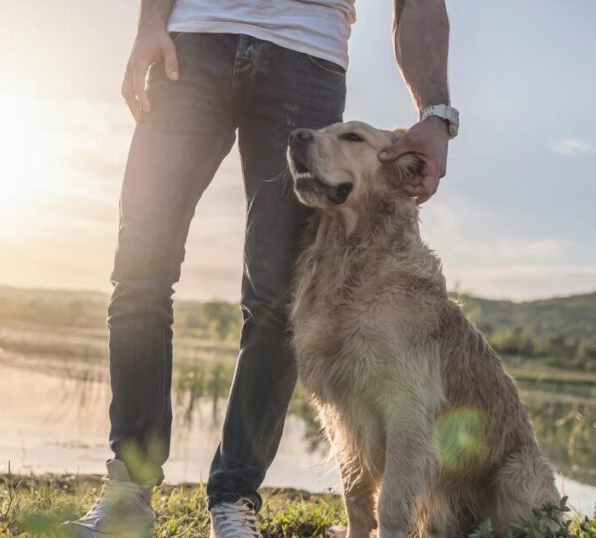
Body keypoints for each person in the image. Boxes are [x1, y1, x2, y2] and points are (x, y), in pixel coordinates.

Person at [61, 0, 457, 536]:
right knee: (139, 274)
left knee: (275, 299)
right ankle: (129, 491)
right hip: (192, 43)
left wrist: (436, 113)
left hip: (307, 56)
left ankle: (234, 500)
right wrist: (151, 24)